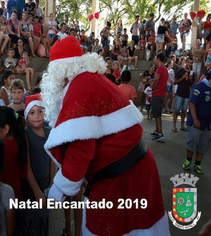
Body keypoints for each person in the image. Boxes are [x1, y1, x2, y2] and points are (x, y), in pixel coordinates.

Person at [41, 36, 169, 236]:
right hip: (135, 169)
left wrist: (58, 189)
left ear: (58, 71)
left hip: (119, 179)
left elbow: (80, 148)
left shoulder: (79, 87)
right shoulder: (91, 79)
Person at [22, 94, 55, 236]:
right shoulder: (25, 134)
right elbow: (26, 166)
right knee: (28, 222)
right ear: (26, 116)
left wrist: (52, 183)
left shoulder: (50, 133)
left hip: (45, 184)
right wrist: (37, 192)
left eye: (40, 112)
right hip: (30, 186)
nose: (36, 116)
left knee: (42, 222)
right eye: (32, 112)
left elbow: (52, 160)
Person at [182, 70, 211, 175]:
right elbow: (192, 103)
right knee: (192, 142)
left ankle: (198, 164)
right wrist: (195, 119)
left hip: (207, 124)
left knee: (203, 145)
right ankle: (188, 161)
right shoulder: (199, 87)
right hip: (195, 123)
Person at [172, 59, 194, 133]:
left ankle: (182, 126)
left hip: (187, 94)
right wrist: (183, 77)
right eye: (188, 62)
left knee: (184, 111)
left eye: (191, 63)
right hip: (179, 93)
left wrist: (190, 80)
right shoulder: (180, 71)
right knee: (176, 110)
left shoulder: (192, 72)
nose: (189, 64)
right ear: (186, 62)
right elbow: (175, 82)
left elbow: (191, 85)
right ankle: (174, 126)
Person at [151, 53, 168, 142]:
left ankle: (160, 133)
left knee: (157, 115)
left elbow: (157, 79)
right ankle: (158, 131)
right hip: (161, 94)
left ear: (158, 59)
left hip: (157, 94)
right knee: (158, 114)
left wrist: (153, 88)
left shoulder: (159, 69)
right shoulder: (164, 69)